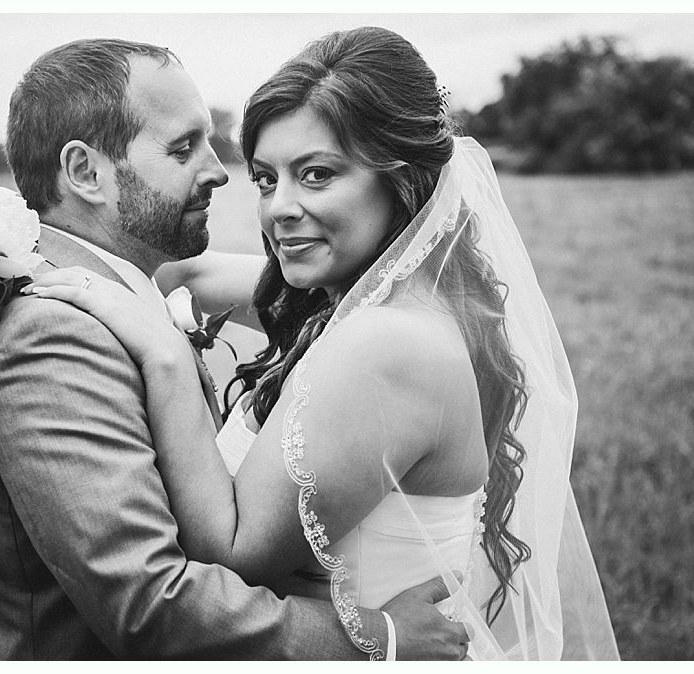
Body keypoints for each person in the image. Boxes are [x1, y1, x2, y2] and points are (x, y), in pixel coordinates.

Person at [30, 27, 620, 660]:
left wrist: (168, 358)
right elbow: (189, 275)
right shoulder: (371, 297)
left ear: (399, 177)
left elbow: (231, 556)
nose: (279, 207)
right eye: (264, 178)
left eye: (315, 175)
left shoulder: (388, 344)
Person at [0, 37, 469, 660]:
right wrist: (376, 637)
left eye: (315, 174)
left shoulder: (125, 295)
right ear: (87, 173)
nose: (221, 172)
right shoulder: (55, 334)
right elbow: (149, 604)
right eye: (182, 148)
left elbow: (225, 282)